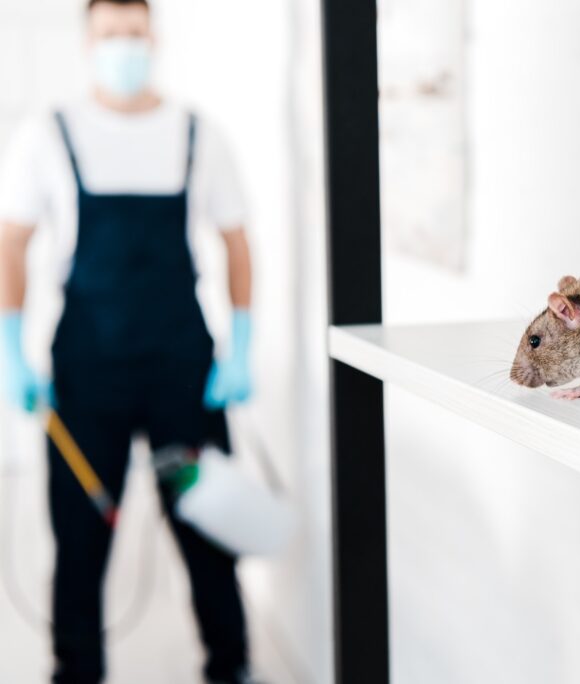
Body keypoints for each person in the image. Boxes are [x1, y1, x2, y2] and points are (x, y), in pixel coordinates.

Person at [0, 0, 258, 682]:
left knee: (206, 525)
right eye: (110, 36)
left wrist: (242, 344)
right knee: (80, 538)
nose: (124, 46)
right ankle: (77, 670)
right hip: (87, 375)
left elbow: (235, 242)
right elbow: (13, 241)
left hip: (183, 374)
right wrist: (9, 347)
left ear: (155, 38)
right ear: (88, 44)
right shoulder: (48, 134)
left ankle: (231, 666)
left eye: (134, 35)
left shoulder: (198, 134)